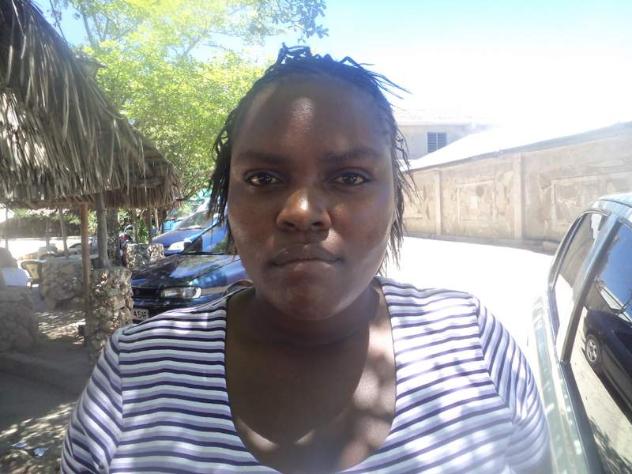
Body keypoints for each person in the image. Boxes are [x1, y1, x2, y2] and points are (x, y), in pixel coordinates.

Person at [61, 46, 550, 473]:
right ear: (227, 200)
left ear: (395, 197)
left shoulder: (471, 342)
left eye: (351, 177)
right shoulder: (135, 372)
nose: (301, 212)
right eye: (264, 179)